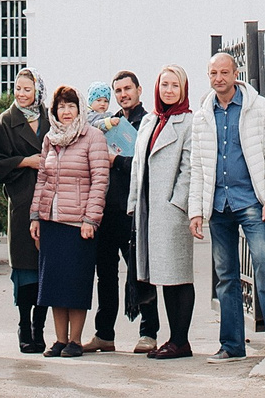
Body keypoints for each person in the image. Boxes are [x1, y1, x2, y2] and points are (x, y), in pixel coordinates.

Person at [187, 50, 265, 361]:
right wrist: (196, 210)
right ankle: (232, 345)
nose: (218, 79)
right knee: (225, 276)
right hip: (218, 205)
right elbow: (198, 166)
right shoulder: (203, 115)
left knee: (264, 265)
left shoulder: (257, 109)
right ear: (208, 77)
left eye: (224, 72)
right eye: (213, 74)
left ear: (235, 74)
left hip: (250, 202)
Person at [29, 82, 111, 358]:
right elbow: (42, 178)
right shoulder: (50, 139)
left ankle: (75, 340)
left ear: (79, 109)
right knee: (53, 283)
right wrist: (35, 216)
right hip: (51, 220)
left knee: (76, 283)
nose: (66, 111)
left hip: (79, 224)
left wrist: (91, 219)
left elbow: (100, 180)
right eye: (61, 106)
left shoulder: (93, 137)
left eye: (71, 105)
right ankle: (60, 340)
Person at [131, 65, 197, 359]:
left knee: (177, 275)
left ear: (183, 90)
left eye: (174, 86)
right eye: (164, 85)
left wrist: (177, 203)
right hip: (147, 209)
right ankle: (171, 338)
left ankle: (180, 340)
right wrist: (134, 202)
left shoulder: (189, 123)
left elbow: (189, 168)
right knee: (159, 274)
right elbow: (138, 165)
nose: (168, 90)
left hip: (171, 210)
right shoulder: (149, 120)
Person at [0, 67, 46, 353]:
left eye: (28, 89)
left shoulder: (50, 117)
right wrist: (25, 161)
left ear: (37, 90)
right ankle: (24, 325)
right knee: (24, 267)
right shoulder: (6, 120)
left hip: (50, 200)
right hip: (22, 200)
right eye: (18, 88)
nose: (22, 94)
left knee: (47, 265)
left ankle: (40, 327)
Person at [89, 70, 146, 352]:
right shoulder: (110, 123)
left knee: (140, 271)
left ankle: (149, 332)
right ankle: (104, 334)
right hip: (107, 209)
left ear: (139, 89)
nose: (123, 94)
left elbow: (145, 164)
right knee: (106, 274)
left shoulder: (147, 122)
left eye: (128, 89)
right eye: (119, 91)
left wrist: (117, 161)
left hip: (133, 208)